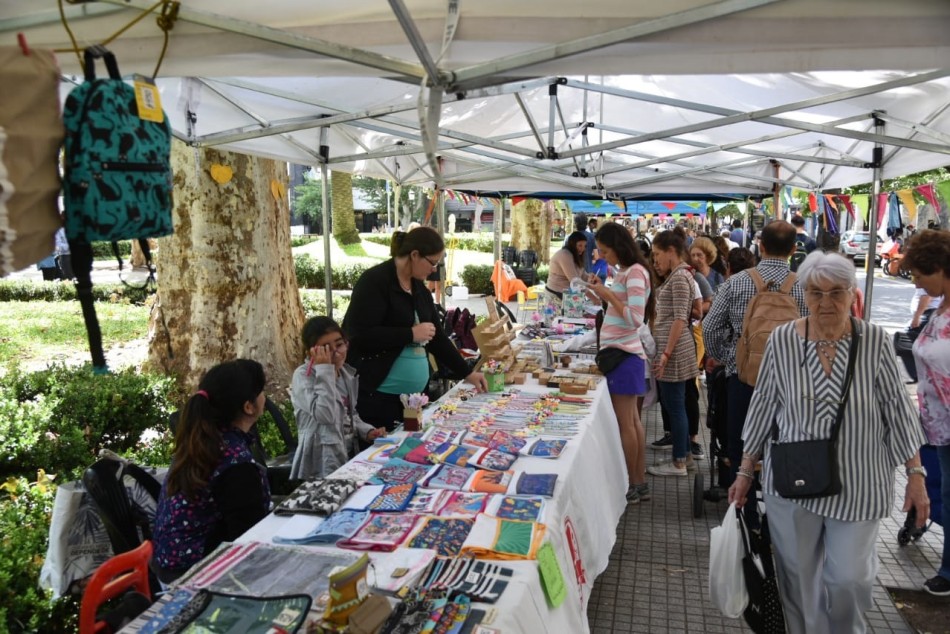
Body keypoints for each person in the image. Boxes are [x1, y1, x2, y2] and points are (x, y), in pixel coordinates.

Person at [729, 250, 928, 632]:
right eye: (816, 293)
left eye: (836, 293)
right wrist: (744, 470)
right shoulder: (784, 339)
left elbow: (897, 409)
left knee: (848, 580)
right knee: (798, 583)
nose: (825, 303)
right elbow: (764, 406)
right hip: (793, 480)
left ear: (852, 294)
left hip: (860, 480)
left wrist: (915, 474)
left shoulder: (873, 341)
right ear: (804, 294)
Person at [343, 227, 486, 431]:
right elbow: (359, 335)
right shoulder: (374, 282)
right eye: (433, 263)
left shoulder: (419, 288)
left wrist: (468, 373)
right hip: (379, 398)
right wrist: (410, 334)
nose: (434, 270)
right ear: (415, 255)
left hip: (414, 400)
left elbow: (438, 339)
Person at [703, 220, 807, 484]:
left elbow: (710, 327)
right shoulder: (805, 286)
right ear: (794, 249)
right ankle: (775, 511)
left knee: (741, 446)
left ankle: (743, 512)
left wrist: (728, 358)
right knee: (783, 445)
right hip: (790, 383)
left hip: (743, 377)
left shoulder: (735, 283)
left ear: (760, 246)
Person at [152, 359, 272, 583]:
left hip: (170, 566)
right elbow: (249, 542)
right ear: (248, 407)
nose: (264, 396)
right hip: (197, 576)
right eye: (261, 391)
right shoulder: (235, 464)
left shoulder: (205, 440)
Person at [589, 222, 654, 503]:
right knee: (632, 422)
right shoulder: (627, 272)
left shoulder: (635, 273)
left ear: (618, 247)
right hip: (624, 355)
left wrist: (609, 295)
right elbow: (620, 310)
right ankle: (637, 482)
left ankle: (633, 482)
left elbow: (635, 319)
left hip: (625, 355)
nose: (603, 257)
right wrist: (602, 294)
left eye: (605, 251)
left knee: (626, 424)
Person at [904, 229, 950, 596]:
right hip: (935, 426)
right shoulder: (939, 308)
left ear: (941, 268)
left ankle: (949, 571)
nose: (916, 281)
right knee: (943, 493)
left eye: (920, 273)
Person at [290, 317, 387, 480]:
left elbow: (350, 414)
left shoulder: (343, 373)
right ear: (311, 352)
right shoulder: (303, 376)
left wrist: (368, 431)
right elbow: (326, 415)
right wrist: (324, 369)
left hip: (345, 453)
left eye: (339, 344)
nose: (336, 352)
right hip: (320, 461)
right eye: (326, 348)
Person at [647, 230, 699, 477]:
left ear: (671, 251)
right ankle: (684, 454)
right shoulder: (679, 275)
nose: (655, 260)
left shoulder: (679, 277)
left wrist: (666, 353)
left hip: (675, 350)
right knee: (674, 403)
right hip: (674, 348)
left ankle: (679, 461)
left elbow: (680, 317)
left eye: (657, 254)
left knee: (675, 405)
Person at [546, 230, 587, 307]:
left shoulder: (576, 256)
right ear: (572, 244)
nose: (583, 249)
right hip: (555, 296)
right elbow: (575, 281)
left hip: (567, 296)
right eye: (580, 245)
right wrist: (593, 297)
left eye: (585, 246)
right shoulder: (564, 255)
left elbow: (583, 274)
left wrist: (592, 278)